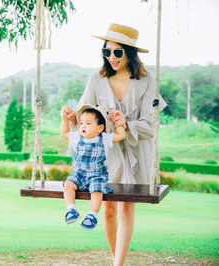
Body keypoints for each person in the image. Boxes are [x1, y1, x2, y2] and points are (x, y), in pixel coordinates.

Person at [60, 23, 166, 266]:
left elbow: (151, 125)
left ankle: (118, 264)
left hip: (135, 150)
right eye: (107, 52)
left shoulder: (147, 80)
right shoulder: (96, 79)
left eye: (117, 52)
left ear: (129, 53)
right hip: (106, 152)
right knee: (107, 209)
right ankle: (114, 261)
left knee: (126, 207)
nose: (111, 57)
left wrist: (126, 126)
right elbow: (83, 116)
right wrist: (71, 117)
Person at [60, 104, 125, 230]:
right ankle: (71, 210)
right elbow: (64, 133)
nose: (83, 126)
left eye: (88, 124)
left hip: (97, 175)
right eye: (81, 123)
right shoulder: (77, 137)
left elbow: (120, 136)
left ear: (100, 128)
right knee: (68, 185)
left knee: (96, 191)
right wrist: (65, 119)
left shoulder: (104, 139)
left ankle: (92, 215)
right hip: (79, 174)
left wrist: (119, 125)